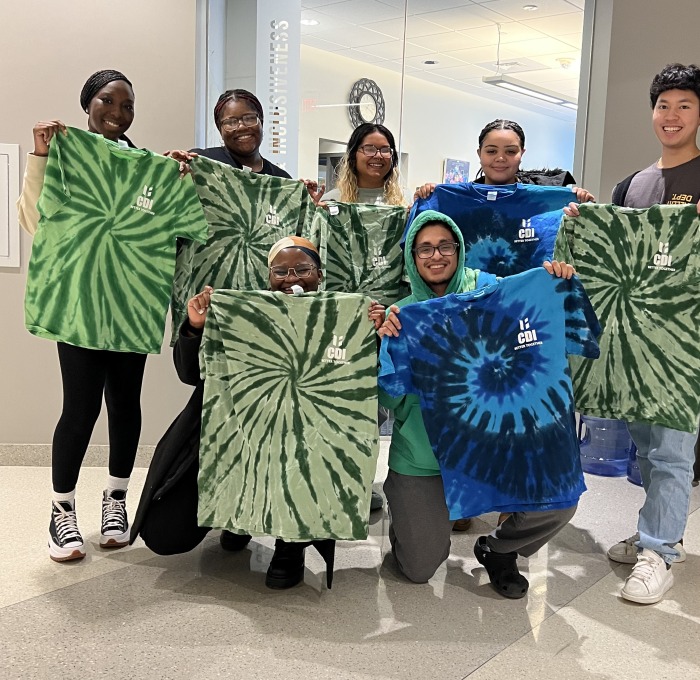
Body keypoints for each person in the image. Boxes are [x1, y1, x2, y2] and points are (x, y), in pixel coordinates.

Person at [131, 236, 385, 589]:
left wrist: (374, 335)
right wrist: (195, 326)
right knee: (164, 534)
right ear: (267, 277)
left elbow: (362, 383)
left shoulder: (342, 317)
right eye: (280, 271)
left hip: (307, 441)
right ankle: (237, 517)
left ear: (320, 275)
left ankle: (290, 544)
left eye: (303, 269)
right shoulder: (243, 313)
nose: (291, 278)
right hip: (240, 434)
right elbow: (190, 374)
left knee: (300, 460)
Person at [377, 210, 581, 598]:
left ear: (459, 249)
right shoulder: (402, 315)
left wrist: (554, 282)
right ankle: (410, 517)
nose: (435, 256)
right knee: (419, 569)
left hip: (494, 445)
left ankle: (499, 549)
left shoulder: (493, 291)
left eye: (444, 246)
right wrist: (387, 349)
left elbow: (536, 312)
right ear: (412, 257)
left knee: (557, 501)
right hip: (426, 458)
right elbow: (388, 401)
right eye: (424, 249)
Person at [566, 63, 700, 604]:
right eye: (663, 106)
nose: (671, 116)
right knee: (645, 446)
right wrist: (587, 218)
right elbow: (613, 257)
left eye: (684, 105)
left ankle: (660, 551)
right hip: (635, 343)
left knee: (671, 447)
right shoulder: (634, 185)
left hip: (684, 343)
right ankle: (658, 533)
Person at [18, 70, 148, 562]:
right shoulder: (63, 157)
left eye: (127, 105)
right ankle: (61, 511)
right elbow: (34, 220)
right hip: (78, 305)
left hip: (131, 303)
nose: (117, 112)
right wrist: (41, 155)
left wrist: (175, 173)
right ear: (86, 105)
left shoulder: (145, 167)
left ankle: (116, 500)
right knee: (80, 408)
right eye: (106, 101)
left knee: (125, 405)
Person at [414, 119, 594, 204]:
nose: (500, 158)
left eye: (510, 151)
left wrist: (583, 206)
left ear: (522, 153)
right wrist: (427, 199)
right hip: (475, 280)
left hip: (532, 280)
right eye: (491, 151)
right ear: (479, 154)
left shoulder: (547, 197)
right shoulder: (457, 199)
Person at [322, 123, 404, 206]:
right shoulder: (332, 201)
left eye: (385, 150)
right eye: (369, 149)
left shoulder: (404, 200)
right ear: (353, 155)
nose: (378, 156)